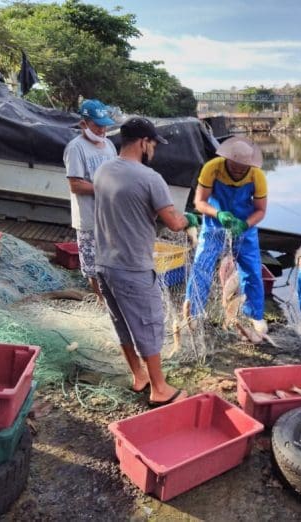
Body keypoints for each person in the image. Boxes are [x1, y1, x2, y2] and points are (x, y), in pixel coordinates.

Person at [93, 117, 198, 407]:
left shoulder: (103, 170)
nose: (154, 150)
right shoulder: (150, 178)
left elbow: (128, 209)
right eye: (153, 144)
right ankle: (160, 389)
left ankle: (139, 376)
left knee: (122, 324)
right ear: (143, 143)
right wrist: (190, 218)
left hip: (104, 263)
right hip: (133, 266)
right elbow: (175, 223)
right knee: (148, 324)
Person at [184, 136, 268, 334]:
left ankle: (254, 315)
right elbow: (200, 202)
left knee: (252, 272)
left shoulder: (257, 176)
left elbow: (261, 210)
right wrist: (218, 214)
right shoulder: (212, 168)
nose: (239, 170)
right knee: (201, 267)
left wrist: (245, 223)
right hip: (214, 225)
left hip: (244, 228)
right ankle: (193, 314)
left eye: (243, 167)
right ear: (227, 158)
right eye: (235, 165)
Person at [63, 99, 117, 301]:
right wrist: (103, 188)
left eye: (105, 125)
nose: (102, 129)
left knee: (112, 261)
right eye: (97, 125)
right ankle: (102, 303)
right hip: (89, 218)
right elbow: (75, 184)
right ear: (84, 124)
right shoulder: (76, 148)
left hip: (110, 217)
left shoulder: (109, 145)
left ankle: (111, 299)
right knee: (93, 267)